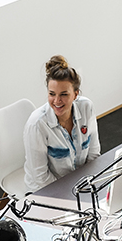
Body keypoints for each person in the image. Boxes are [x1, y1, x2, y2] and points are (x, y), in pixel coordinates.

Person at [24, 55, 101, 192]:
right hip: (48, 188)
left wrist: (87, 184)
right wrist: (71, 193)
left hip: (79, 183)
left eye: (64, 94)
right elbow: (40, 177)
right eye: (52, 94)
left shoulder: (87, 107)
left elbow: (94, 154)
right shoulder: (36, 124)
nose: (57, 101)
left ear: (75, 95)